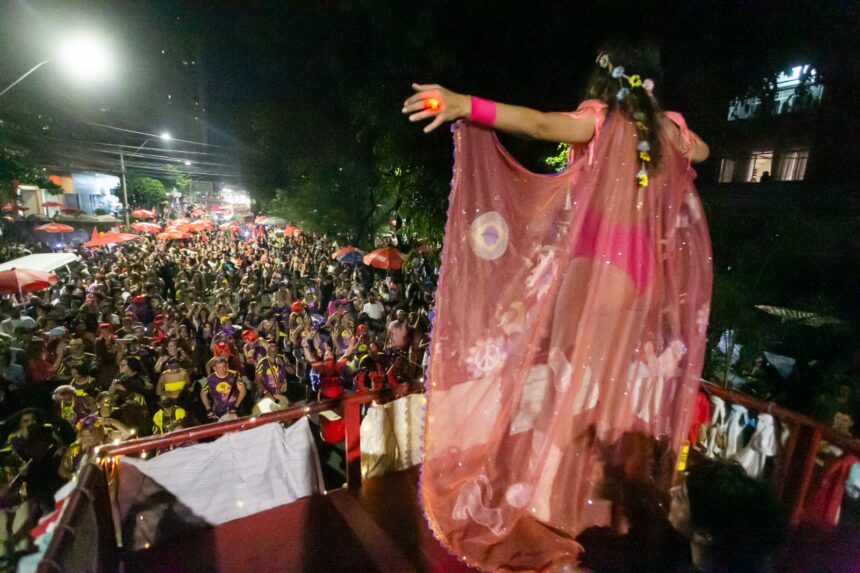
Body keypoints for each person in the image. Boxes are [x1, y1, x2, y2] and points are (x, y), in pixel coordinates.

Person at [403, 40, 712, 571]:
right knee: (603, 390)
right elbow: (702, 153)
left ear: (603, 82)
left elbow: (543, 127)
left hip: (596, 265)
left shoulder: (600, 120)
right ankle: (596, 502)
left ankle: (547, 502)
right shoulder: (669, 133)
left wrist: (466, 105)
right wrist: (665, 122)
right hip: (642, 279)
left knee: (559, 381)